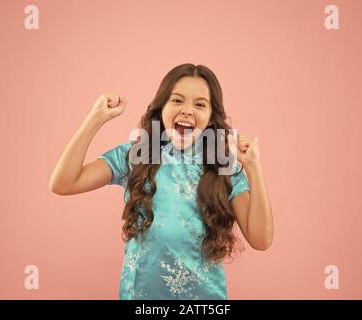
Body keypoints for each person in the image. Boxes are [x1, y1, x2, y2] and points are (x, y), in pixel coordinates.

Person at [49, 63, 274, 300]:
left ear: (210, 118)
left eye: (200, 104)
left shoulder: (223, 167)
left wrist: (252, 166)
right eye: (177, 100)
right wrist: (96, 118)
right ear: (161, 108)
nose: (187, 110)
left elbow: (261, 239)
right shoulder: (137, 156)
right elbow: (63, 183)